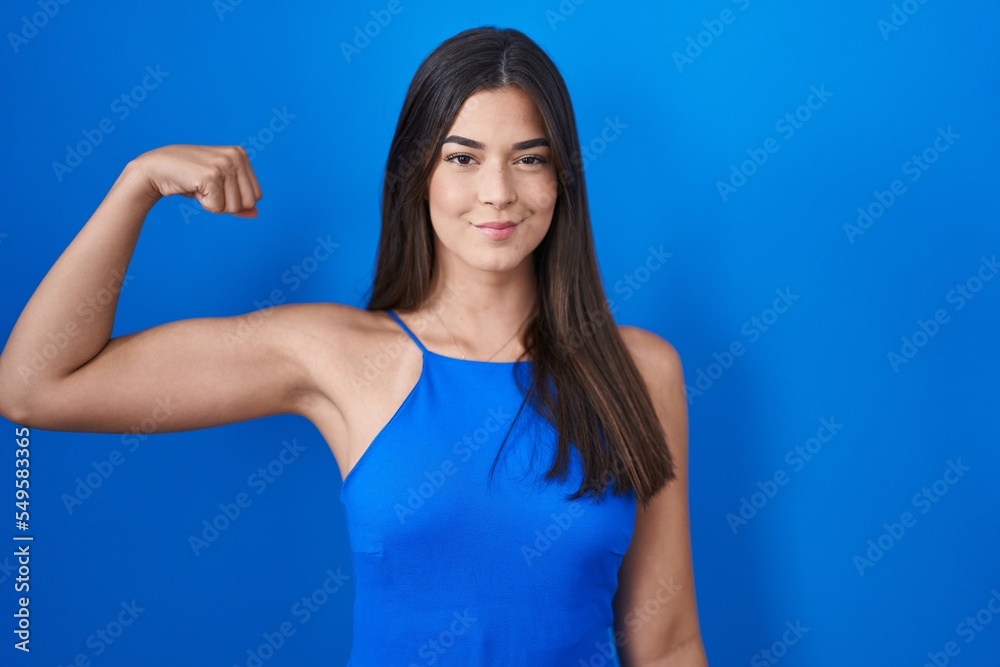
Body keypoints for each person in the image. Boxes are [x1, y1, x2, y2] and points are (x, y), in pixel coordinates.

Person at [0, 26, 707, 666]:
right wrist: (137, 184)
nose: (497, 191)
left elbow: (667, 640)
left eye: (529, 159)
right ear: (419, 172)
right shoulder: (335, 353)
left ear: (562, 180)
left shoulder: (642, 371)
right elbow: (35, 386)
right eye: (462, 158)